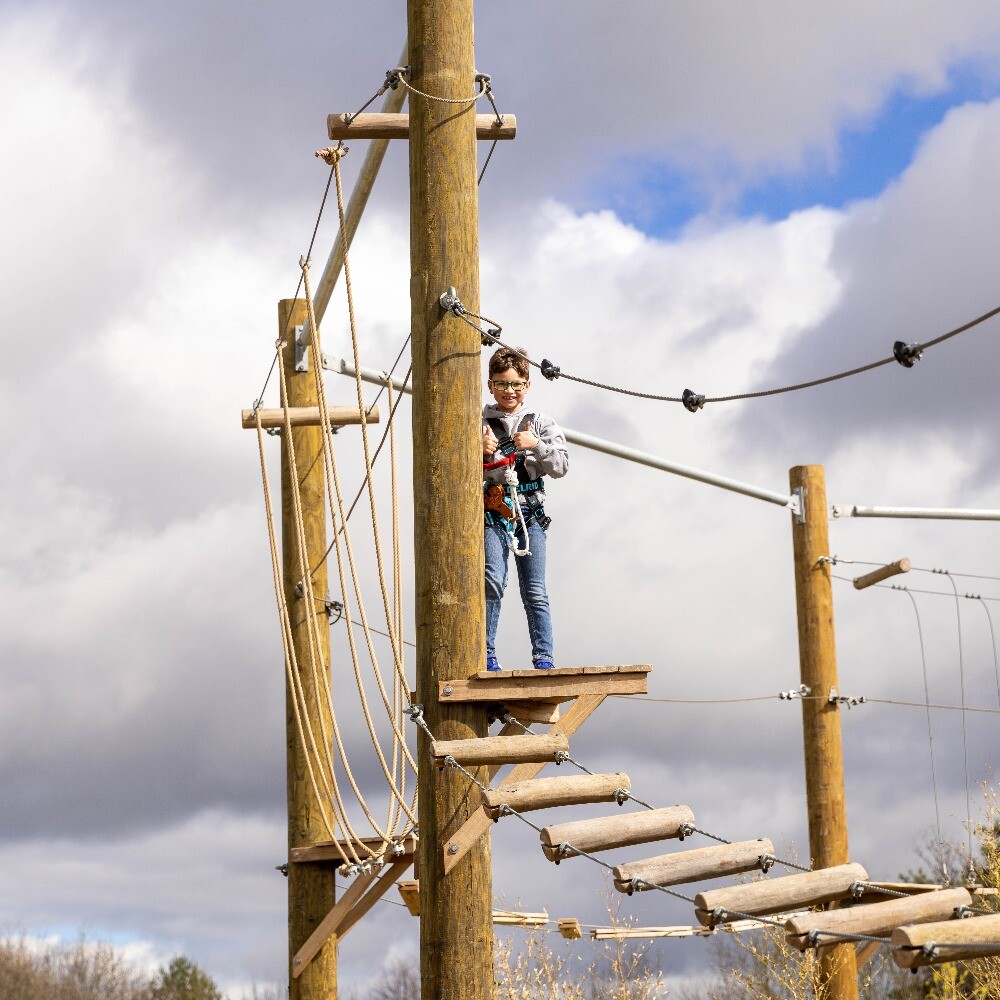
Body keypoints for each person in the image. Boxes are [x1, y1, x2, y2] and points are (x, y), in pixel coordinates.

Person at [482, 346, 569, 672]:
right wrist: (477, 450)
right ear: (491, 385)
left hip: (529, 511)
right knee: (492, 580)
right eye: (502, 384)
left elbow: (561, 465)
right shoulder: (479, 422)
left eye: (516, 385)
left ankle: (543, 658)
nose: (509, 392)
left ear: (527, 386)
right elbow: (451, 465)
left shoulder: (540, 423)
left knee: (534, 589)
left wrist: (537, 445)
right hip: (495, 506)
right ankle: (487, 652)